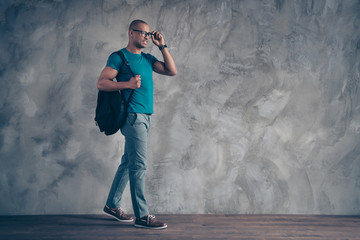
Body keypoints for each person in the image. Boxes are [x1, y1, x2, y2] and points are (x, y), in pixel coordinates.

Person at [97, 19, 177, 229]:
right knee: (139, 165)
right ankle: (142, 216)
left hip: (146, 117)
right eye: (143, 33)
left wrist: (162, 46)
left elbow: (171, 71)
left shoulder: (148, 59)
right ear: (131, 33)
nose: (147, 37)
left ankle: (112, 205)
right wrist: (127, 84)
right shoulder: (119, 57)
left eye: (149, 34)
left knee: (128, 162)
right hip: (133, 116)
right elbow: (102, 82)